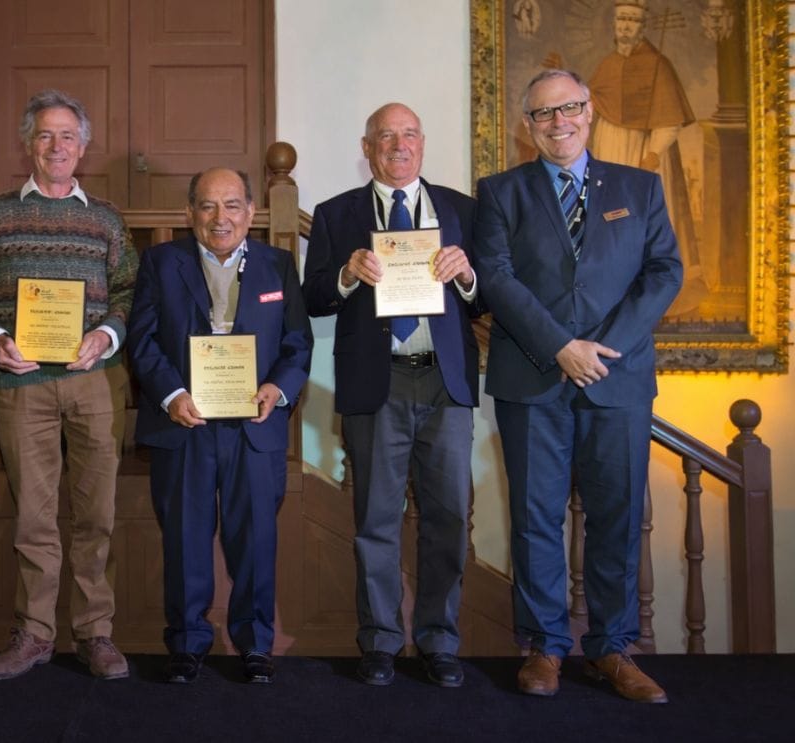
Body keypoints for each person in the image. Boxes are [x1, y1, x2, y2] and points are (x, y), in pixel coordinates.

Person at [473, 69, 682, 703]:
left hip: (617, 380)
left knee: (617, 519)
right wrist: (561, 347)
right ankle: (544, 648)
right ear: (527, 126)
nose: (557, 122)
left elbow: (664, 271)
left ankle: (613, 649)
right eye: (543, 113)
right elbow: (495, 277)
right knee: (535, 520)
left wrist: (603, 348)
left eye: (568, 108)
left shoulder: (640, 188)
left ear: (590, 112)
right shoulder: (500, 192)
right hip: (532, 377)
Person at [0, 89, 138, 681]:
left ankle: (95, 633)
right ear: (28, 144)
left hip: (95, 381)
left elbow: (130, 292)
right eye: (45, 135)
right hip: (20, 385)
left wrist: (106, 334)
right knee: (34, 518)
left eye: (68, 136)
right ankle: (34, 634)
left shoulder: (106, 219)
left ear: (83, 147)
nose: (57, 146)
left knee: (96, 514)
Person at [302, 103, 482, 688]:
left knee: (448, 518)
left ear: (422, 143)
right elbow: (313, 298)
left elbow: (486, 298)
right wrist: (347, 274)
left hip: (445, 381)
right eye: (386, 136)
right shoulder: (336, 214)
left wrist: (467, 275)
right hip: (377, 382)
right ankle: (380, 640)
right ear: (367, 147)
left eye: (408, 135)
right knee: (375, 519)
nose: (398, 145)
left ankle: (438, 640)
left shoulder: (462, 210)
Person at [127, 168, 312, 684]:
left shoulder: (278, 265)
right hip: (184, 423)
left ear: (251, 212)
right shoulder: (160, 262)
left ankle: (255, 644)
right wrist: (171, 394)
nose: (220, 217)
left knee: (255, 539)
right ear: (190, 213)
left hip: (254, 426)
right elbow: (142, 339)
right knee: (185, 537)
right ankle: (187, 643)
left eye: (232, 205)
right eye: (207, 206)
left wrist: (277, 388)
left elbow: (298, 343)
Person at [588, 0, 706, 314]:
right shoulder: (607, 64)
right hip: (610, 149)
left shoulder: (658, 65)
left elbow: (669, 120)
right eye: (621, 20)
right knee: (610, 216)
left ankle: (654, 288)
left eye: (632, 20)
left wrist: (653, 154)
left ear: (642, 26)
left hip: (645, 151)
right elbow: (592, 106)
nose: (625, 26)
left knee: (646, 218)